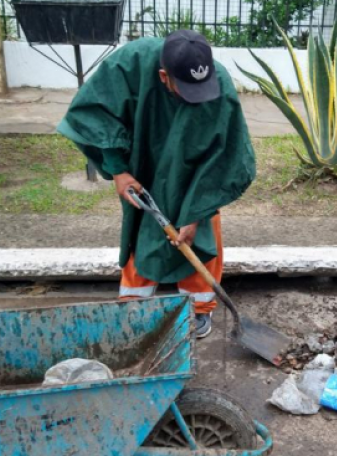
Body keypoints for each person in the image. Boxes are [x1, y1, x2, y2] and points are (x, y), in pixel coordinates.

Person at [58, 30, 256, 339]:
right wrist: (118, 170)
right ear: (164, 76)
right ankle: (134, 306)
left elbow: (227, 154)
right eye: (187, 90)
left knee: (203, 232)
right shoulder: (129, 64)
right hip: (143, 162)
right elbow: (96, 115)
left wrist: (196, 211)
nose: (197, 96)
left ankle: (198, 308)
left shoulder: (218, 83)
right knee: (144, 228)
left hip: (194, 173)